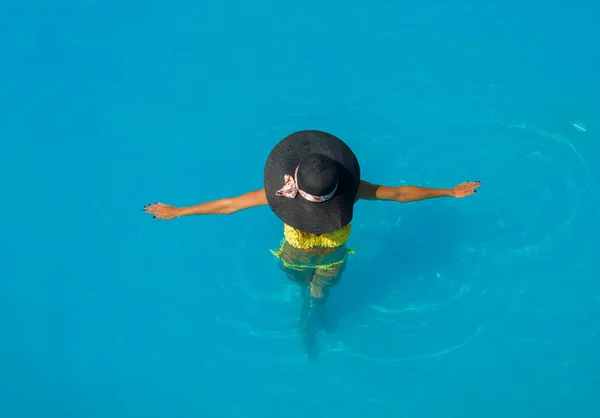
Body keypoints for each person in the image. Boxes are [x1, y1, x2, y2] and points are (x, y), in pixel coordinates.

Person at [143, 130, 481, 358]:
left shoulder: (279, 193)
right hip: (334, 256)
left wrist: (182, 211)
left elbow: (230, 205)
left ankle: (307, 321)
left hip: (293, 254)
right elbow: (399, 194)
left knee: (302, 285)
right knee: (321, 294)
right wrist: (449, 191)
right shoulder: (351, 188)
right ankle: (312, 317)